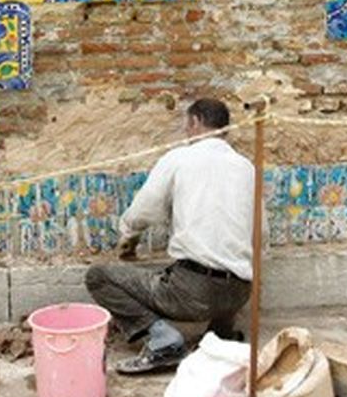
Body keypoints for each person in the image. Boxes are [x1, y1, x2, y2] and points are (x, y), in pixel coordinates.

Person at [85, 98, 256, 374]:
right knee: (217, 269)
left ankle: (164, 340)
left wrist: (128, 235)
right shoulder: (246, 167)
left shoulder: (180, 158)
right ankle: (219, 335)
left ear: (195, 122)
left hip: (194, 292)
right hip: (240, 292)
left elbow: (144, 209)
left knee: (98, 276)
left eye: (186, 125)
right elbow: (260, 235)